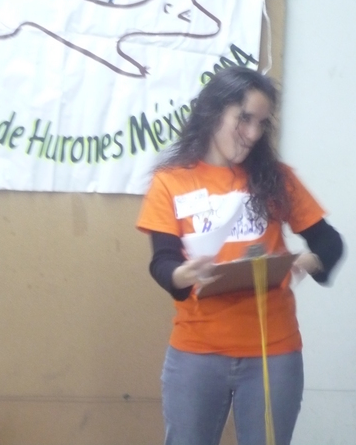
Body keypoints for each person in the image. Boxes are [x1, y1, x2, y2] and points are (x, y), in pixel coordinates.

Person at [136, 66, 343, 445]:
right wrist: (184, 274)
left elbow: (329, 242)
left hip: (272, 352)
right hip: (196, 353)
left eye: (261, 123)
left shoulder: (275, 179)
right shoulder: (171, 181)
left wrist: (309, 261)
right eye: (243, 119)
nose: (252, 134)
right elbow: (162, 262)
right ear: (214, 111)